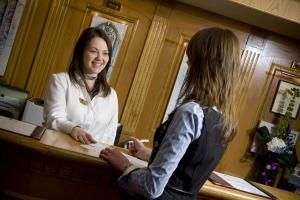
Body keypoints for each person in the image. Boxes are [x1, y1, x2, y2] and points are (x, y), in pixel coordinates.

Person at [100, 27, 241, 199]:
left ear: (203, 65)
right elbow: (188, 165)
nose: (188, 67)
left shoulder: (191, 112)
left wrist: (125, 166)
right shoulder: (224, 118)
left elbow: (152, 187)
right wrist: (148, 154)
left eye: (191, 61)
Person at [44, 27, 118, 145]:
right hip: (58, 150)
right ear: (81, 52)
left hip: (90, 159)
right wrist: (73, 129)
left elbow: (110, 135)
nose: (100, 58)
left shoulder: (111, 95)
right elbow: (54, 119)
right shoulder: (60, 81)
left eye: (105, 53)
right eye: (93, 51)